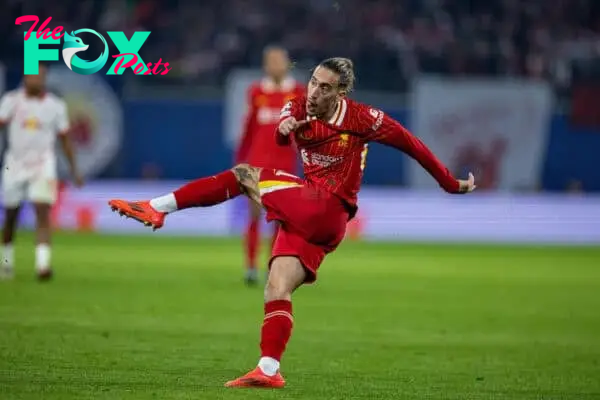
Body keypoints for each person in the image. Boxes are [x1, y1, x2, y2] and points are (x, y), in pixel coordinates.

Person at [108, 57, 476, 388]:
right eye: (314, 81)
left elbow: (411, 144)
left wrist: (448, 182)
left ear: (342, 92)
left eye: (325, 87)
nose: (315, 91)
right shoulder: (300, 103)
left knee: (243, 174)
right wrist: (284, 128)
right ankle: (268, 369)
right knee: (276, 286)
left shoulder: (365, 118)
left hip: (326, 207)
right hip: (317, 220)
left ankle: (157, 207)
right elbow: (284, 121)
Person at [0, 63, 83, 280]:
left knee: (42, 211)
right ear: (25, 77)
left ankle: (42, 266)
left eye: (40, 76)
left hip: (43, 164)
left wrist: (74, 170)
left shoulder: (55, 106)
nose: (36, 80)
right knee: (10, 216)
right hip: (14, 164)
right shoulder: (11, 101)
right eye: (32, 76)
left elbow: (65, 140)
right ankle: (6, 263)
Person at [235, 46, 304, 285]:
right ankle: (251, 267)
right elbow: (248, 129)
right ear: (265, 65)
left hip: (285, 166)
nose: (275, 65)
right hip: (257, 164)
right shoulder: (255, 92)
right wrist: (241, 159)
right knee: (254, 216)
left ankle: (273, 268)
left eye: (279, 61)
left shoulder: (297, 93)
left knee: (280, 220)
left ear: (287, 64)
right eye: (271, 61)